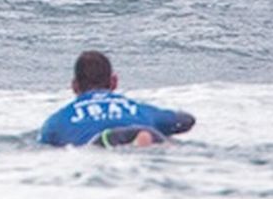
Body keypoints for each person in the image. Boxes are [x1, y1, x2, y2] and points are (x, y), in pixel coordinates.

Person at [38, 51, 196, 147]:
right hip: (147, 132)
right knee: (159, 142)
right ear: (114, 82)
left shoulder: (56, 122)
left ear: (74, 86)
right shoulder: (138, 109)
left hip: (101, 143)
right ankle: (143, 141)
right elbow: (186, 120)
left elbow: (44, 145)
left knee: (106, 144)